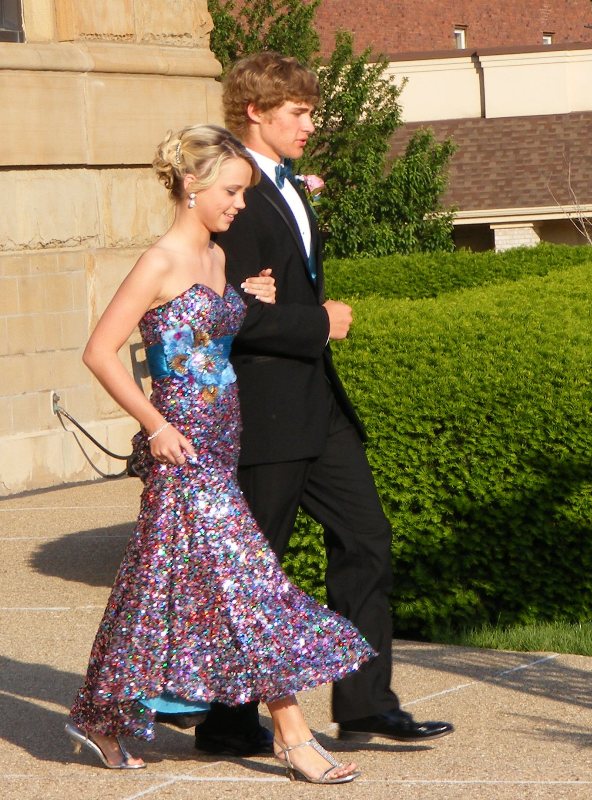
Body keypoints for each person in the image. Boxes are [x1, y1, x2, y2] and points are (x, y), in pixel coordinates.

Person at [65, 123, 375, 784]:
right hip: (184, 454)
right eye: (231, 191)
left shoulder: (215, 256)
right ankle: (294, 736)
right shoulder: (160, 261)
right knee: (249, 586)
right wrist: (154, 425)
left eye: (243, 192)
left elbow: (213, 330)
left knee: (150, 589)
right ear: (191, 185)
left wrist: (248, 300)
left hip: (225, 442)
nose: (239, 204)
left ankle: (99, 716)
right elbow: (99, 351)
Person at [193, 52, 455, 757]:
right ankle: (225, 721)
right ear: (256, 111)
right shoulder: (232, 192)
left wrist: (300, 314)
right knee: (255, 564)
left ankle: (366, 706)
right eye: (299, 112)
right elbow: (227, 313)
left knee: (366, 540)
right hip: (265, 411)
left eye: (311, 111)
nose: (311, 124)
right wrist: (319, 322)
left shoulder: (286, 185)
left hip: (319, 404)